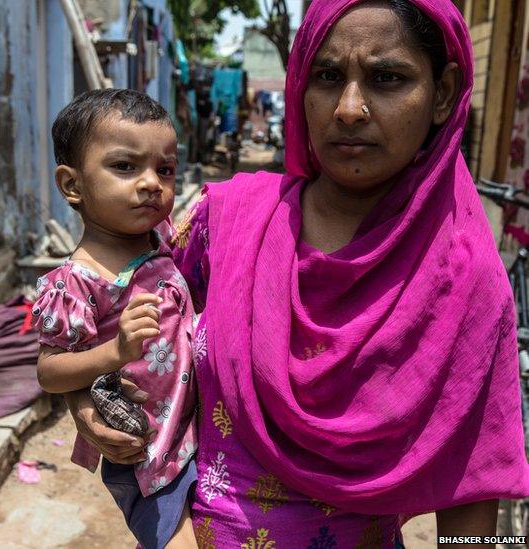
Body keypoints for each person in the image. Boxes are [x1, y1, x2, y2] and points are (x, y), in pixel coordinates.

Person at [65, 1, 529, 547]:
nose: (350, 108)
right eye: (328, 76)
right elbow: (118, 329)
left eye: (387, 78)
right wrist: (85, 401)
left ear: (444, 94)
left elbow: (471, 497)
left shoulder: (466, 281)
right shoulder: (227, 222)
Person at [32, 89, 198, 549]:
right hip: (145, 454)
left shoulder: (162, 241)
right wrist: (114, 353)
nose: (151, 183)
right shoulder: (76, 283)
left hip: (196, 434)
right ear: (72, 185)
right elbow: (49, 372)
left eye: (164, 169)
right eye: (125, 167)